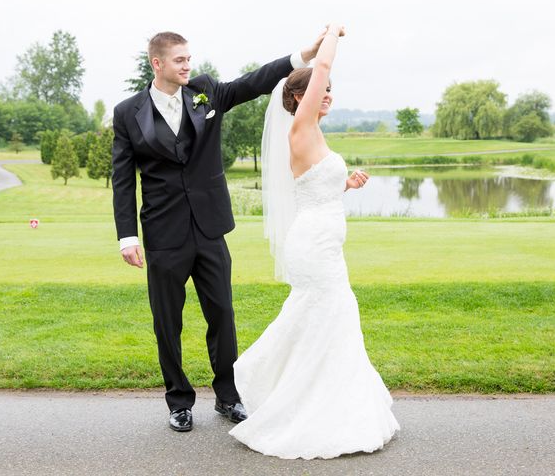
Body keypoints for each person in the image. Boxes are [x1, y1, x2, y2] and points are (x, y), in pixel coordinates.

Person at [112, 30, 327, 432]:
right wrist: (128, 236)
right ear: (157, 64)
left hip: (209, 228)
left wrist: (303, 56)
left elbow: (252, 83)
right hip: (162, 232)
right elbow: (123, 179)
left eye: (188, 58)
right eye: (179, 60)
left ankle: (228, 396)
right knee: (167, 322)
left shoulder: (205, 91)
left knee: (222, 314)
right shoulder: (127, 113)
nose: (187, 65)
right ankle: (178, 401)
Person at [229, 24, 400, 459]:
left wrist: (347, 184)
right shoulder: (300, 127)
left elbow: (315, 188)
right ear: (300, 99)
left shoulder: (315, 135)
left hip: (323, 240)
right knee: (332, 312)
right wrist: (333, 33)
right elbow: (320, 65)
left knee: (324, 318)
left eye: (329, 90)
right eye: (320, 90)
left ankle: (315, 397)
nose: (327, 93)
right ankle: (286, 396)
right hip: (314, 246)